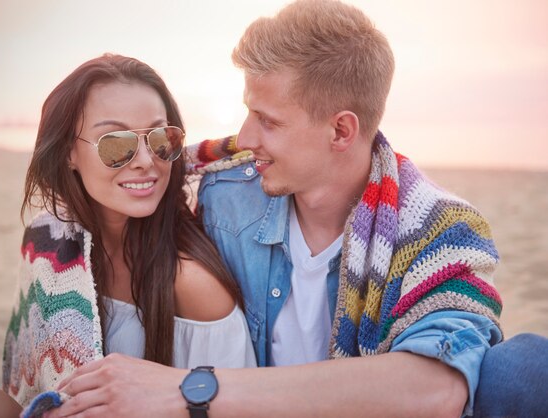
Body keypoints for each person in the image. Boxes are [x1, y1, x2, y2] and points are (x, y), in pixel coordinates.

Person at [44, 1, 510, 417]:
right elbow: (135, 184)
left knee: (524, 368)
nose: (245, 138)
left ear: (341, 131)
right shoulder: (223, 194)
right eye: (249, 113)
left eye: (268, 121)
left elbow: (437, 387)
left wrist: (188, 390)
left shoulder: (443, 232)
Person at [0, 54, 255, 418]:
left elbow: (232, 405)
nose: (146, 161)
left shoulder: (190, 283)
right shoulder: (50, 243)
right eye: (114, 143)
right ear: (69, 152)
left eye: (160, 138)